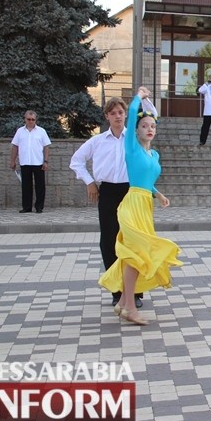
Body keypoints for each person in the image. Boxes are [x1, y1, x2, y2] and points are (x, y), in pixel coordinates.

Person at [98, 88, 182, 325]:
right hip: (132, 203)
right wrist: (138, 97)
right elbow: (133, 111)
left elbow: (146, 181)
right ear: (136, 130)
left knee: (135, 255)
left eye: (152, 126)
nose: (149, 129)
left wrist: (159, 194)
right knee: (136, 255)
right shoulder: (131, 147)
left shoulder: (153, 155)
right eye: (144, 126)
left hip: (145, 204)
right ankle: (130, 307)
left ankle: (124, 304)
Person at [70, 97, 143, 309]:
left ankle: (135, 292)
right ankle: (116, 290)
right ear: (107, 116)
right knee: (109, 242)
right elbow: (76, 161)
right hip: (108, 191)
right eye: (113, 113)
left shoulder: (135, 138)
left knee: (132, 243)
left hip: (131, 192)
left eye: (121, 112)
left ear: (125, 114)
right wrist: (89, 182)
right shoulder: (98, 141)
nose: (118, 116)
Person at [10, 111, 51, 213]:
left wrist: (45, 161)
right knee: (26, 187)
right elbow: (15, 146)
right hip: (25, 162)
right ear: (25, 119)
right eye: (29, 119)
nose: (31, 121)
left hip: (38, 163)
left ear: (35, 120)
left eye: (33, 119)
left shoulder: (41, 131)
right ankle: (27, 207)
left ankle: (39, 207)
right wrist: (12, 161)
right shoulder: (20, 131)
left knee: (40, 186)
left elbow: (46, 147)